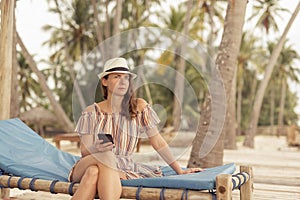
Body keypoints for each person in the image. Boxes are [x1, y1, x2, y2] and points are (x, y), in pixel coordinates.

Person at [69, 57, 204, 200]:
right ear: (105, 81)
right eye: (116, 77)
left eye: (126, 78)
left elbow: (158, 141)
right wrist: (96, 148)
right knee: (105, 156)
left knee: (93, 173)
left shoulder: (139, 107)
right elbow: (84, 150)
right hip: (88, 162)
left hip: (122, 167)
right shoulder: (91, 112)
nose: (123, 81)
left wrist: (179, 171)